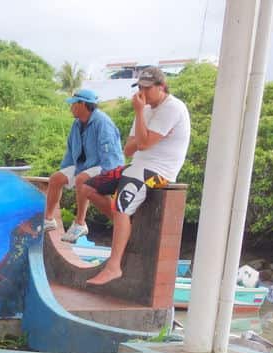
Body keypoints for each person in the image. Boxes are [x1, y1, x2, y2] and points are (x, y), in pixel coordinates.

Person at [76, 67, 190, 285]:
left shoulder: (173, 108)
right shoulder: (145, 110)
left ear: (161, 87)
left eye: (147, 88)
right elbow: (128, 149)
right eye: (139, 88)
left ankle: (114, 266)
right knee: (87, 187)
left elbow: (144, 143)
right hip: (137, 166)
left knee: (120, 205)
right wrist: (143, 128)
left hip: (160, 171)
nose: (142, 93)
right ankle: (125, 225)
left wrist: (139, 117)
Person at [43, 89, 124, 241]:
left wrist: (109, 180)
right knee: (55, 179)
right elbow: (70, 150)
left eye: (73, 104)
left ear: (83, 104)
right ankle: (48, 220)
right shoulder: (76, 124)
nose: (70, 108)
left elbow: (110, 154)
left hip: (104, 164)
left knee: (81, 179)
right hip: (83, 164)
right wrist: (64, 171)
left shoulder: (102, 122)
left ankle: (80, 223)